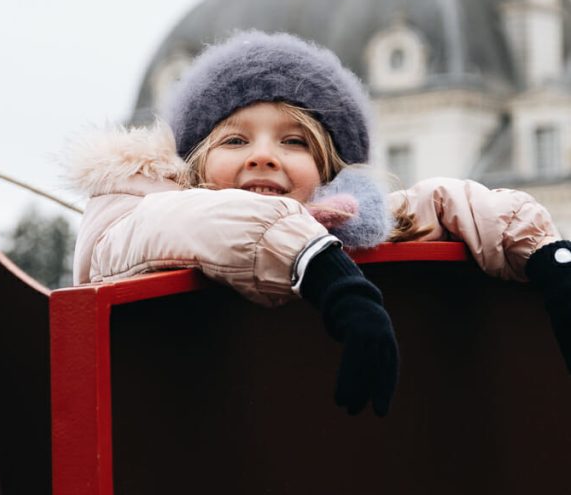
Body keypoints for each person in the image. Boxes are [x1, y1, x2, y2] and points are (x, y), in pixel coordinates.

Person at [66, 30, 571, 416]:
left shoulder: (337, 226)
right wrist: (323, 270)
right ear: (193, 162)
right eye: (235, 140)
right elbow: (191, 223)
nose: (264, 156)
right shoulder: (135, 211)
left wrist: (549, 256)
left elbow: (439, 203)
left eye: (294, 142)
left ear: (329, 173)